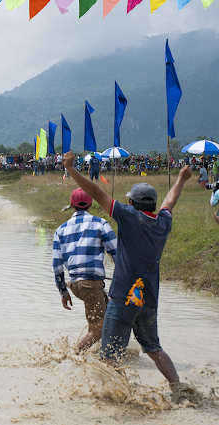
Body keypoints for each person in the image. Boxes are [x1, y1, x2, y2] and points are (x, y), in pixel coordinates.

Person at [63, 151, 196, 397]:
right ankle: (178, 387)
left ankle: (117, 396)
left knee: (109, 354)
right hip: (149, 301)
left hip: (124, 298)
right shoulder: (163, 223)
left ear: (132, 204)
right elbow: (170, 202)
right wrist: (181, 179)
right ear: (153, 206)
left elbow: (95, 192)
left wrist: (71, 169)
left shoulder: (127, 216)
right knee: (155, 349)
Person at [53, 188, 117, 353]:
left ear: (72, 206)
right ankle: (73, 356)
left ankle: (110, 352)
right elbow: (118, 254)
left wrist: (63, 292)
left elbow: (57, 267)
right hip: (91, 284)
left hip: (75, 285)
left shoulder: (60, 230)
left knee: (111, 316)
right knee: (96, 331)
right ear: (90, 204)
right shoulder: (100, 223)